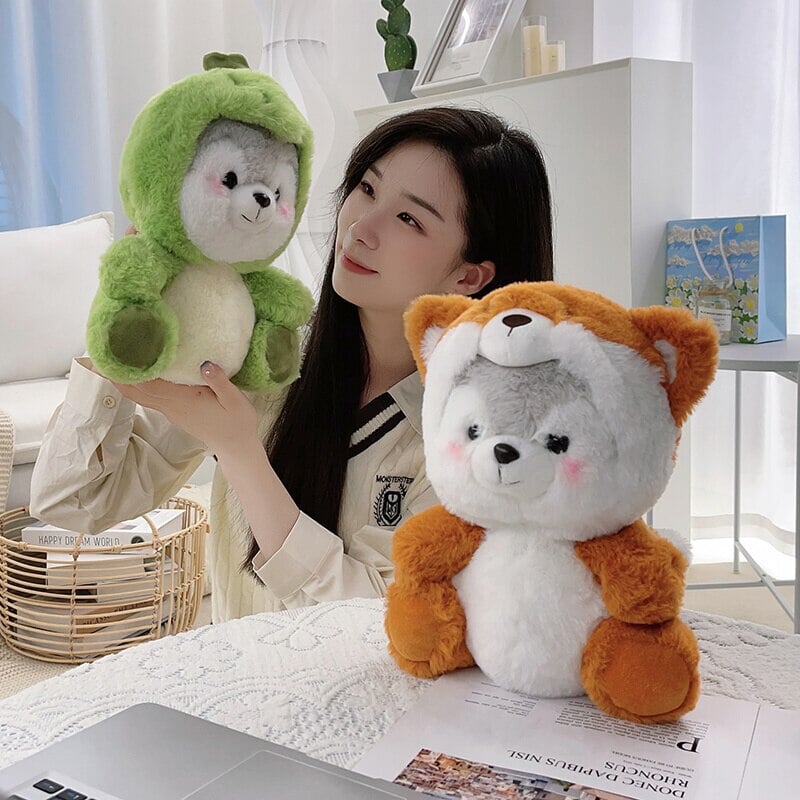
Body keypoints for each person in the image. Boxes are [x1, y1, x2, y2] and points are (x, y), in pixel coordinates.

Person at [30, 107, 554, 622]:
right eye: (367, 188)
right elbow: (73, 504)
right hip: (229, 670)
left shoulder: (482, 444)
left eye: (408, 219)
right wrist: (120, 327)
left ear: (468, 277)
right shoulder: (264, 353)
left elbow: (373, 626)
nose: (360, 228)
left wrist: (239, 451)